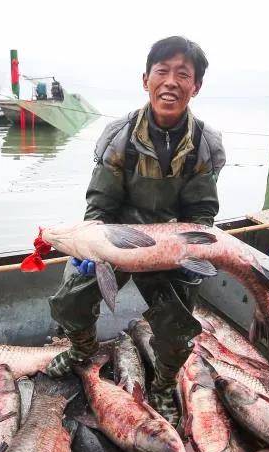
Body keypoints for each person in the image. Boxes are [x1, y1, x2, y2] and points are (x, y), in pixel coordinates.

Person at [45, 36, 225, 424]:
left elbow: (202, 213)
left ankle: (162, 384)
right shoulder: (119, 136)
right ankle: (82, 350)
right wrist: (93, 244)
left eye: (183, 74)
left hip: (171, 248)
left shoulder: (204, 144)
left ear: (197, 86)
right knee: (70, 298)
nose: (171, 82)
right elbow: (100, 203)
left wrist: (183, 252)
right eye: (162, 71)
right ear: (146, 79)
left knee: (179, 327)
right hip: (118, 239)